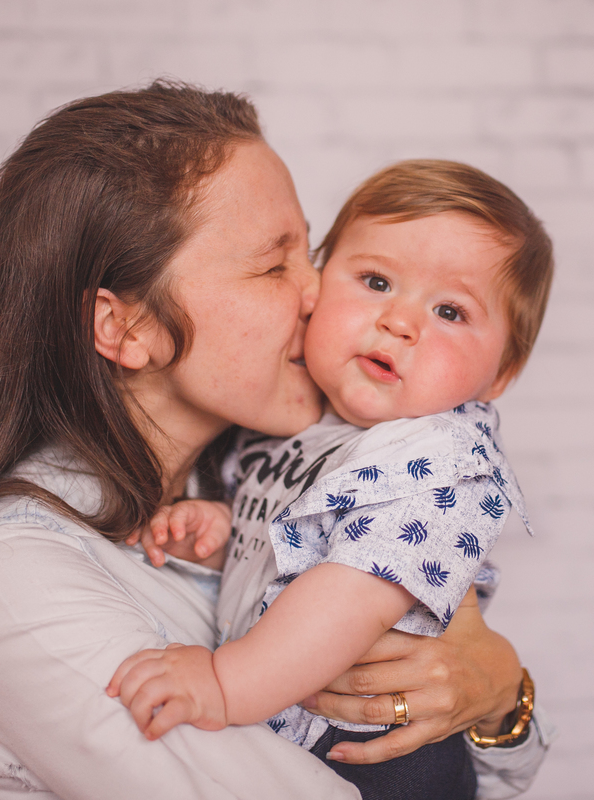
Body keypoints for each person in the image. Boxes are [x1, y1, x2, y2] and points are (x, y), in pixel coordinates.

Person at [0, 81, 549, 800]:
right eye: (273, 264)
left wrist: (502, 694)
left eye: (309, 252)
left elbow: (498, 775)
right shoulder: (15, 577)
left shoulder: (271, 475)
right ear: (129, 328)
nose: (322, 293)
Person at [109, 160, 553, 800]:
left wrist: (223, 683)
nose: (401, 321)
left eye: (451, 311)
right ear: (319, 287)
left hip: (376, 757)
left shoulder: (439, 461)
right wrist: (226, 528)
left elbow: (348, 599)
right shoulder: (293, 420)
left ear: (502, 372)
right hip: (296, 723)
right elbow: (294, 541)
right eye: (376, 280)